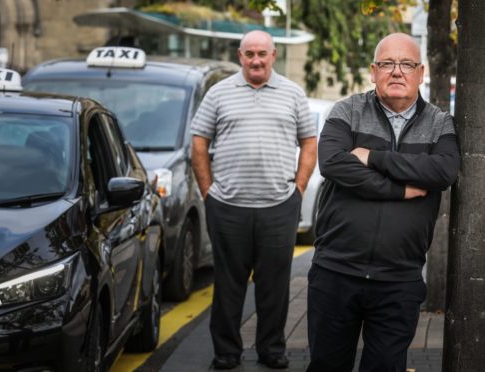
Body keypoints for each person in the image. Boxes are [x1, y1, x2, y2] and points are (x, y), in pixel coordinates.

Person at [307, 33, 460, 372]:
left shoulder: (439, 123)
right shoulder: (347, 110)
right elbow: (333, 163)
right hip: (336, 272)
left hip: (399, 279)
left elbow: (443, 171)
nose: (396, 71)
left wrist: (372, 156)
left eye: (406, 64)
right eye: (388, 64)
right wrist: (401, 189)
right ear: (373, 71)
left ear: (420, 73)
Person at [191, 30, 317, 370]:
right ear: (240, 56)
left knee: (274, 286)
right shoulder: (219, 94)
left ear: (273, 55)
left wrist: (299, 190)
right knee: (228, 284)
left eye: (262, 53)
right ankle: (226, 352)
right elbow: (199, 142)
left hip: (279, 207)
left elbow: (309, 141)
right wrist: (209, 192)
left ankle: (272, 350)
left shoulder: (292, 94)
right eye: (250, 54)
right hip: (228, 207)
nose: (256, 60)